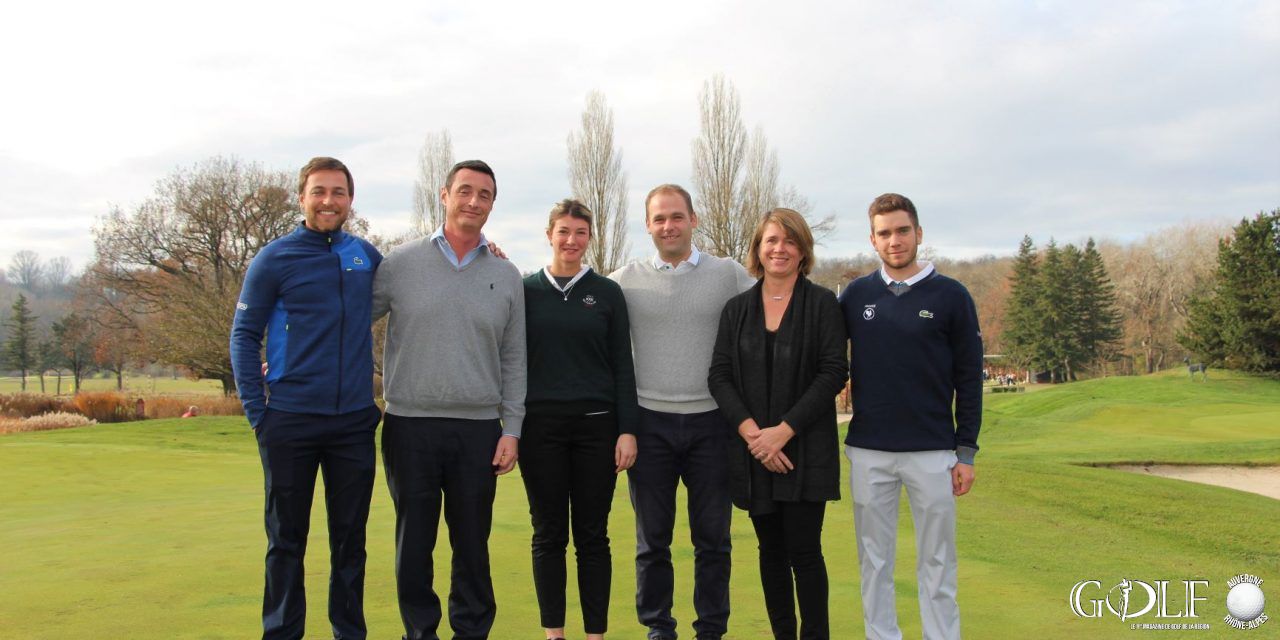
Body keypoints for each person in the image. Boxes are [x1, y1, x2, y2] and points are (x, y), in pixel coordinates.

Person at [230, 156, 384, 640]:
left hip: (353, 422)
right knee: (286, 542)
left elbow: (422, 286)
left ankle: (348, 633)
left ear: (350, 201)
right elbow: (243, 336)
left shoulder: (366, 257)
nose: (328, 201)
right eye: (319, 192)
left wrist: (487, 249)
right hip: (290, 420)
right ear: (302, 198)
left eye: (338, 192)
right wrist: (261, 415)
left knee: (350, 543)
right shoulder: (274, 258)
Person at [372, 159, 525, 640]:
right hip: (409, 425)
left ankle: (471, 631)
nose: (473, 202)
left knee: (472, 545)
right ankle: (419, 632)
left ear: (492, 204)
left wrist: (512, 429)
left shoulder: (506, 272)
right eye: (465, 191)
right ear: (444, 195)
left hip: (479, 429)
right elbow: (347, 319)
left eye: (484, 195)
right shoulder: (399, 264)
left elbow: (514, 359)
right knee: (414, 544)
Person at [610, 184, 755, 640]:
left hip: (713, 423)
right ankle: (659, 628)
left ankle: (710, 629)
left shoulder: (729, 275)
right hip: (648, 422)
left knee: (713, 540)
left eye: (677, 216)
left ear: (694, 219)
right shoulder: (623, 281)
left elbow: (779, 301)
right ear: (648, 225)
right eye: (659, 218)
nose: (668, 226)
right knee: (652, 541)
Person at [837, 193, 982, 640]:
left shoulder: (952, 295)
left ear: (918, 233)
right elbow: (827, 364)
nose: (894, 240)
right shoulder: (856, 295)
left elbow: (969, 378)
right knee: (874, 560)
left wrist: (966, 451)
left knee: (937, 560)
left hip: (933, 451)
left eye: (902, 230)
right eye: (884, 233)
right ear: (872, 240)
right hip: (868, 450)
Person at [708, 209, 847, 640]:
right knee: (770, 553)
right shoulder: (736, 309)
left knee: (805, 553)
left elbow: (832, 372)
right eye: (771, 240)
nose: (779, 249)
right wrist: (754, 436)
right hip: (754, 454)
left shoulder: (822, 304)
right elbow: (719, 376)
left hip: (805, 450)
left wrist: (782, 432)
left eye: (789, 241)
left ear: (803, 249)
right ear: (758, 249)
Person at [521, 199, 640, 640]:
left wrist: (628, 429)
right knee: (548, 534)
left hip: (597, 428)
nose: (571, 241)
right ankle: (554, 633)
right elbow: (512, 363)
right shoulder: (524, 289)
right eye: (563, 232)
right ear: (549, 234)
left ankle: (595, 635)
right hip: (541, 429)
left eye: (580, 233)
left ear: (590, 238)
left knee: (593, 537)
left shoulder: (607, 292)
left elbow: (622, 365)